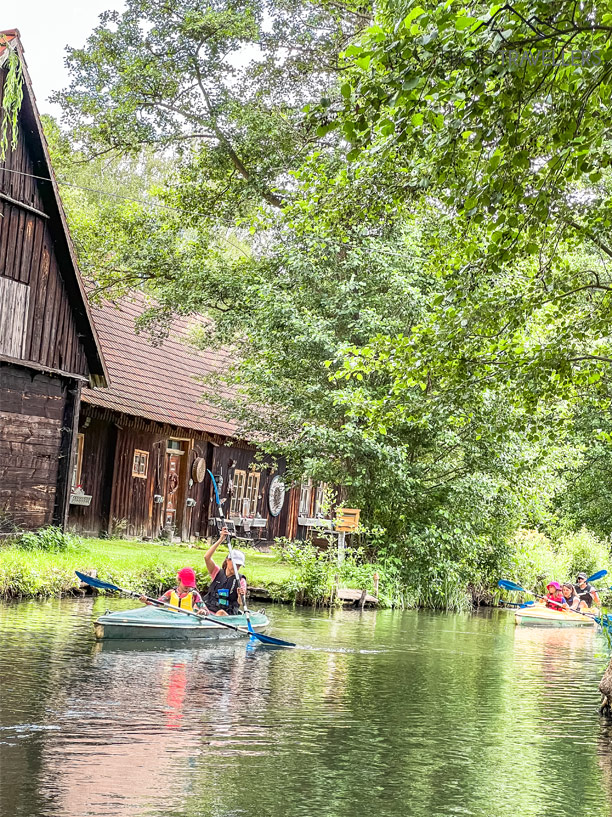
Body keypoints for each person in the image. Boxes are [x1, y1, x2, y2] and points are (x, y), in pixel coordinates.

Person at [202, 526, 247, 616]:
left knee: (220, 613)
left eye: (239, 565)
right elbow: (206, 557)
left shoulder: (241, 581)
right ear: (228, 560)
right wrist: (221, 539)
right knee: (196, 605)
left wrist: (240, 595)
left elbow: (241, 602)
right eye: (235, 564)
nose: (236, 567)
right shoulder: (217, 572)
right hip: (209, 609)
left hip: (226, 614)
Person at [139, 567, 207, 613]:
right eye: (185, 583)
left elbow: (205, 610)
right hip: (172, 619)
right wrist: (146, 601)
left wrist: (202, 611)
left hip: (187, 621)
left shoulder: (194, 595)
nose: (187, 586)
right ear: (179, 580)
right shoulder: (170, 593)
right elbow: (155, 604)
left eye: (189, 584)